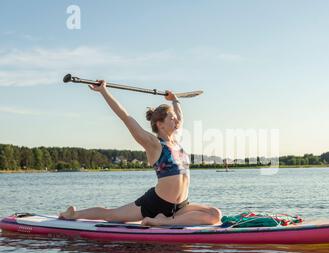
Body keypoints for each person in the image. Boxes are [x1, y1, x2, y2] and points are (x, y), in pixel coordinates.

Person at [59, 80, 222, 226]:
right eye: (171, 118)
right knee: (112, 215)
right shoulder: (154, 145)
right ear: (160, 124)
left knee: (215, 215)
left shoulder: (176, 140)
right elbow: (126, 118)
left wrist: (174, 100)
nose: (176, 121)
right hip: (157, 203)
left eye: (174, 118)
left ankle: (164, 221)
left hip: (180, 206)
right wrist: (104, 91)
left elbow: (181, 117)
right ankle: (73, 214)